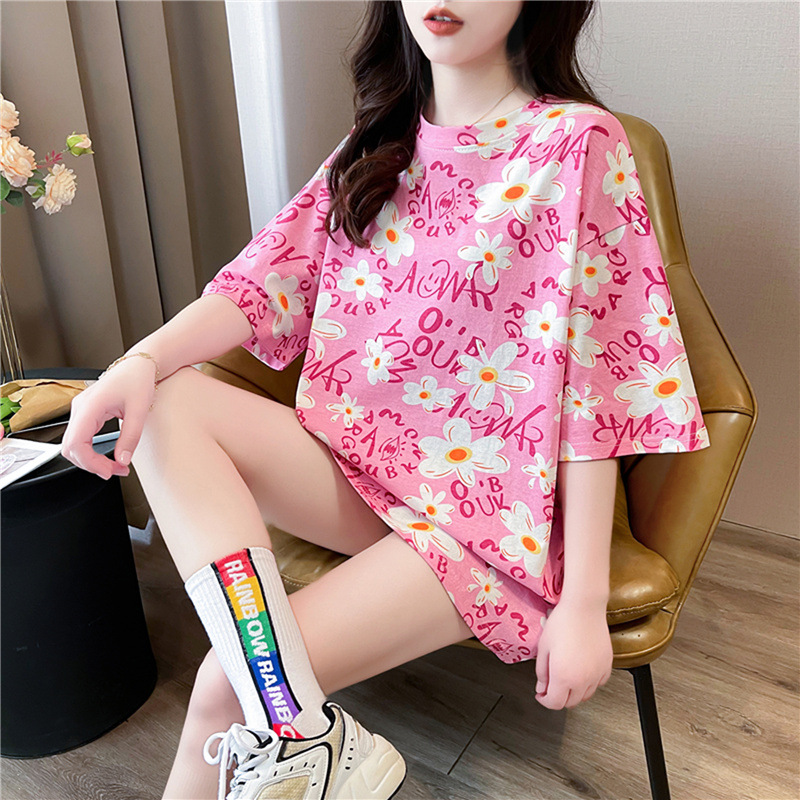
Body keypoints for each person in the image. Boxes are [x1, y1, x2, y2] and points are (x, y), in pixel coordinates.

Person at [62, 1, 712, 798]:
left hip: (487, 524)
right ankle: (304, 735)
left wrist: (582, 602)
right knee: (165, 399)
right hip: (360, 470)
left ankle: (292, 731)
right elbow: (266, 279)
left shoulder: (578, 144)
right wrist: (138, 360)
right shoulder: (379, 142)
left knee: (225, 691)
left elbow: (598, 386)